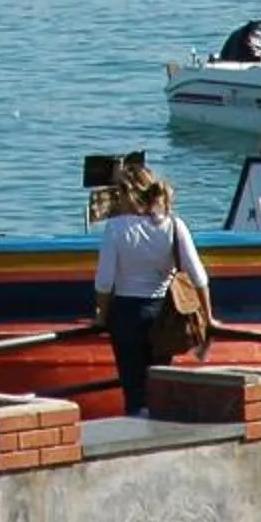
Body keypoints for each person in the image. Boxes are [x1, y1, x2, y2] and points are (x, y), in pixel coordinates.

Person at [92, 164, 210, 413]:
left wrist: (101, 316)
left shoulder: (116, 228)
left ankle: (136, 433)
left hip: (126, 312)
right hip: (163, 312)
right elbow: (199, 276)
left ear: (128, 194)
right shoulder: (174, 225)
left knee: (133, 386)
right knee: (158, 381)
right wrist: (209, 319)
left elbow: (104, 281)